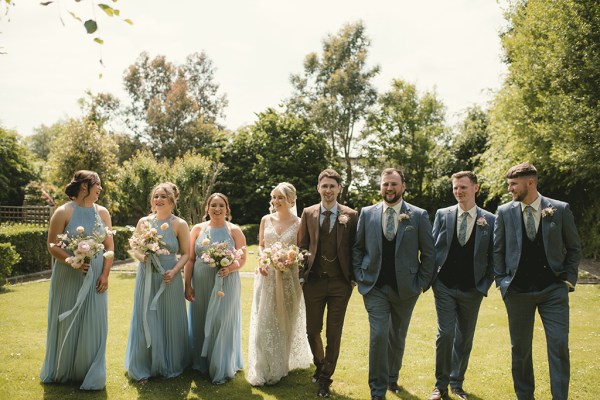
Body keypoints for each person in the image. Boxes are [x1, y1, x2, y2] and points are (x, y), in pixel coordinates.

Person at [494, 162, 581, 400]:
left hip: (553, 290)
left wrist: (568, 280)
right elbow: (497, 250)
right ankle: (525, 396)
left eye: (514, 184)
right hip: (517, 292)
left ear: (530, 182)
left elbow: (574, 248)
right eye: (509, 184)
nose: (510, 189)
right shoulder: (504, 212)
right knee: (520, 350)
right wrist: (502, 282)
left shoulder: (560, 209)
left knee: (559, 346)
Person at [352, 167, 435, 400]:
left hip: (406, 288)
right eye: (385, 184)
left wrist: (420, 284)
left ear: (403, 186)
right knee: (378, 335)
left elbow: (429, 254)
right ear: (380, 186)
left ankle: (391, 378)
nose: (389, 188)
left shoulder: (418, 215)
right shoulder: (367, 213)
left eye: (394, 184)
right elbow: (357, 248)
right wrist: (360, 275)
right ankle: (377, 390)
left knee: (397, 337)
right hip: (374, 286)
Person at [41, 170, 114, 390]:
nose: (100, 188)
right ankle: (63, 369)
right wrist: (71, 259)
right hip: (68, 275)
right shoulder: (63, 211)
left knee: (94, 322)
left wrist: (105, 274)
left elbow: (110, 246)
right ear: (85, 186)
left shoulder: (103, 213)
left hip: (96, 277)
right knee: (67, 321)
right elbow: (52, 246)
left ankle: (89, 371)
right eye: (97, 184)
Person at [428, 171, 495, 400]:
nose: (458, 192)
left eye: (463, 188)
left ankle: (457, 384)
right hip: (444, 285)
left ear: (475, 188)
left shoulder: (491, 219)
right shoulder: (442, 214)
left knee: (464, 337)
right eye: (456, 188)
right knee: (445, 334)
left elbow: (495, 256)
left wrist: (484, 284)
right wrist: (433, 279)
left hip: (472, 288)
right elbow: (432, 248)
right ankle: (440, 386)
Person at [297, 168, 358, 398]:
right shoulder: (308, 213)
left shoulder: (351, 215)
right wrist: (302, 275)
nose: (328, 190)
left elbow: (355, 248)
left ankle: (325, 378)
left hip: (340, 284)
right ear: (318, 188)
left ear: (339, 189)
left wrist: (352, 278)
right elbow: (302, 246)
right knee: (312, 330)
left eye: (333, 186)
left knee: (334, 332)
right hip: (313, 282)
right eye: (325, 186)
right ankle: (320, 363)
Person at [124, 182, 191, 382]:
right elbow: (134, 247)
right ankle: (144, 363)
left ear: (172, 201)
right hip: (147, 274)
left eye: (163, 196)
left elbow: (186, 254)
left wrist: (174, 271)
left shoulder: (179, 224)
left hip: (169, 276)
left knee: (169, 317)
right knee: (146, 315)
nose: (158, 200)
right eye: (156, 196)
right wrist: (142, 257)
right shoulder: (143, 222)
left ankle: (171, 361)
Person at [247, 182, 312, 386]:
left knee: (286, 321)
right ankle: (262, 366)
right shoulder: (265, 219)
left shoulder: (300, 222)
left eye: (280, 198)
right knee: (264, 321)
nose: (276, 201)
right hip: (266, 277)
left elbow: (302, 250)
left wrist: (289, 259)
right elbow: (260, 246)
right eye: (274, 197)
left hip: (288, 278)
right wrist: (262, 260)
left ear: (290, 199)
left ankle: (281, 364)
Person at [185, 193, 246, 384]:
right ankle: (202, 362)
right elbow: (190, 259)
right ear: (207, 208)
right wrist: (187, 284)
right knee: (201, 318)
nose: (217, 209)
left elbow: (242, 258)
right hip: (202, 282)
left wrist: (230, 267)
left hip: (226, 282)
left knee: (222, 320)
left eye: (221, 206)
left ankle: (221, 364)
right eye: (213, 205)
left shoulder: (234, 230)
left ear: (227, 209)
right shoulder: (197, 229)